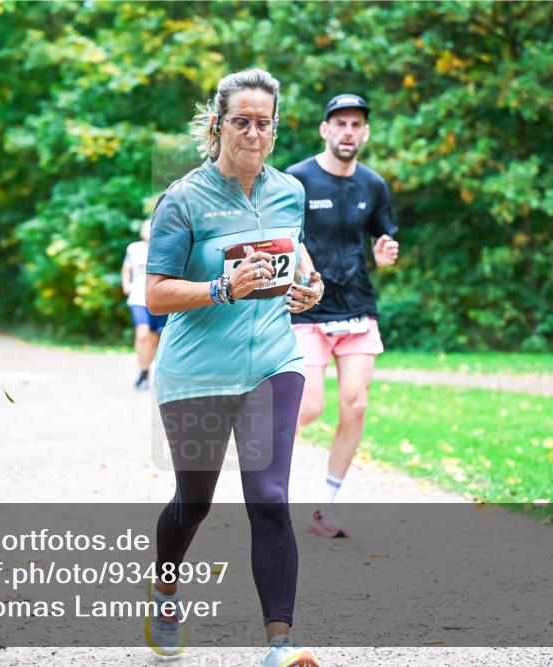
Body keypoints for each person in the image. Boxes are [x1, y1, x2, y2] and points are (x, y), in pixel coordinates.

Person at [145, 68, 324, 667]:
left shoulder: (289, 191)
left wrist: (312, 285)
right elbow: (156, 294)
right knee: (194, 501)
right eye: (241, 121)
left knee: (269, 497)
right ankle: (165, 588)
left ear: (275, 129)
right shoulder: (183, 199)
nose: (252, 132)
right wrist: (222, 289)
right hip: (196, 372)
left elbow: (298, 254)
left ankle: (280, 645)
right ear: (218, 125)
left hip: (273, 360)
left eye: (262, 123)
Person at [286, 93, 400, 539]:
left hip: (357, 307)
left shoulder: (374, 185)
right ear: (325, 129)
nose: (348, 132)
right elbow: (281, 237)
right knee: (308, 406)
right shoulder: (297, 179)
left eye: (356, 125)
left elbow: (383, 242)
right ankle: (268, 490)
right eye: (340, 124)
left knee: (355, 405)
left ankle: (324, 509)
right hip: (306, 309)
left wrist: (385, 255)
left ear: (365, 132)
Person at [121, 219, 166, 390]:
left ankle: (145, 371)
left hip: (156, 298)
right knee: (142, 335)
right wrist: (126, 284)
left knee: (153, 339)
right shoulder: (133, 248)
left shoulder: (164, 248)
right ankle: (142, 370)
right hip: (138, 299)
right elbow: (126, 268)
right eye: (146, 228)